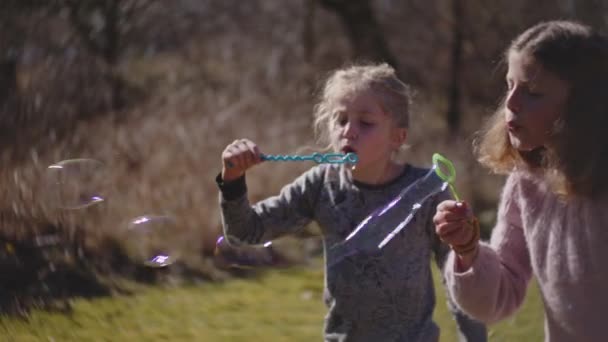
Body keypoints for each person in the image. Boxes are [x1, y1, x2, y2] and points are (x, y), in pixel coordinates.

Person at [216, 63, 487, 341]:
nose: (349, 131)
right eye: (341, 119)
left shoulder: (427, 191)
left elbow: (460, 277)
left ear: (398, 136)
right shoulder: (321, 185)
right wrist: (233, 180)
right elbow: (244, 232)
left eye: (365, 123)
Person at [433, 20, 608, 342]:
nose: (510, 103)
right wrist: (468, 251)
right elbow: (497, 299)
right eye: (509, 85)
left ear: (585, 106)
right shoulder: (527, 184)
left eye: (533, 92)